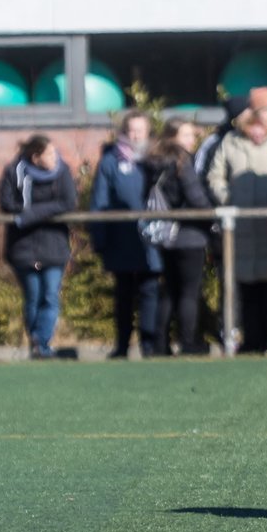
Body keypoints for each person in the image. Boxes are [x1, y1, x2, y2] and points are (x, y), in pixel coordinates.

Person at [207, 89, 267, 354]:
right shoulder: (230, 141)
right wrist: (229, 197)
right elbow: (215, 176)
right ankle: (251, 342)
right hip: (240, 230)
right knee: (247, 291)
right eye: (265, 110)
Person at [0, 134, 78, 359]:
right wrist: (45, 211)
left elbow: (68, 202)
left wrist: (31, 214)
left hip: (54, 245)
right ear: (35, 157)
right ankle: (37, 344)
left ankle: (40, 342)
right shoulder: (14, 172)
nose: (55, 157)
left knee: (50, 295)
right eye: (49, 154)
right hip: (23, 246)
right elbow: (7, 204)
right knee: (33, 296)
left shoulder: (62, 173)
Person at [90, 110, 162, 359]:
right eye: (131, 130)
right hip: (120, 238)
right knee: (123, 294)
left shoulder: (156, 159)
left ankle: (149, 345)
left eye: (140, 130)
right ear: (124, 131)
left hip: (150, 239)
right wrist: (99, 238)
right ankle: (122, 345)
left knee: (150, 290)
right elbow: (99, 201)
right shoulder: (109, 161)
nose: (136, 135)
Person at [145, 118, 213, 356]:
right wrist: (213, 217)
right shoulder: (181, 162)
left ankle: (160, 344)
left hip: (164, 234)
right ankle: (188, 342)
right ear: (173, 137)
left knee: (170, 290)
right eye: (186, 135)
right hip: (188, 234)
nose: (192, 140)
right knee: (188, 292)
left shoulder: (152, 163)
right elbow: (196, 198)